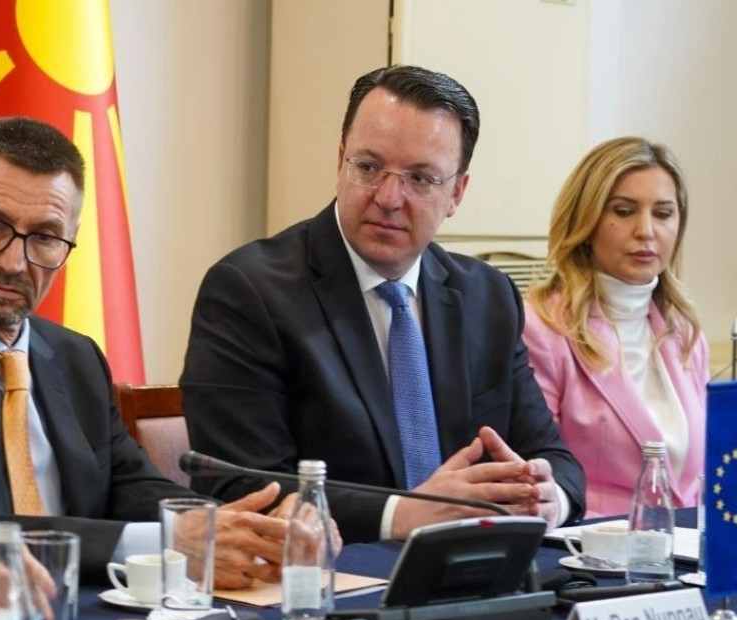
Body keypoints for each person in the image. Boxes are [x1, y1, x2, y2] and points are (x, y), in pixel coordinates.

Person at [181, 64, 586, 543]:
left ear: (457, 193)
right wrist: (402, 514)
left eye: (421, 178)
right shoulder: (249, 291)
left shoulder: (487, 297)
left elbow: (555, 459)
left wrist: (547, 497)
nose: (389, 198)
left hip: (471, 568)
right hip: (335, 572)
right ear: (340, 162)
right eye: (369, 168)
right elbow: (244, 485)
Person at [0, 116, 336, 588]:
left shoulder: (75, 358)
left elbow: (132, 487)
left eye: (45, 237)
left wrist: (247, 527)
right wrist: (165, 541)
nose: (14, 262)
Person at [523, 137, 708, 518]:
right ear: (586, 220)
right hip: (588, 545)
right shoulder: (540, 329)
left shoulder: (685, 333)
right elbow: (537, 477)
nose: (646, 231)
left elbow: (701, 477)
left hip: (687, 546)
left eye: (663, 213)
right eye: (624, 211)